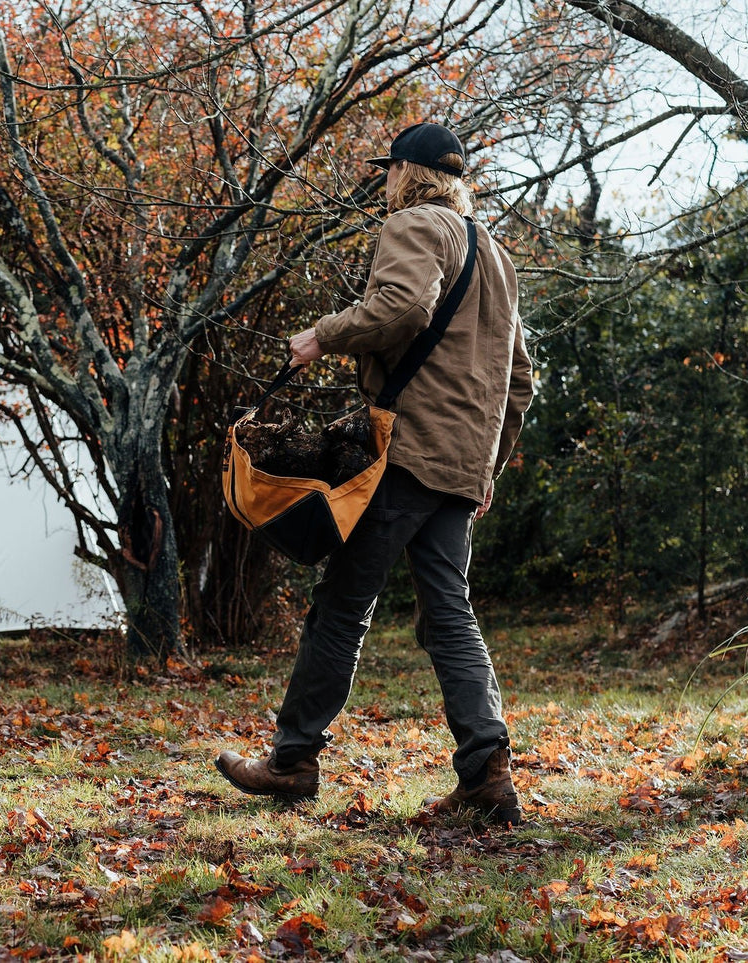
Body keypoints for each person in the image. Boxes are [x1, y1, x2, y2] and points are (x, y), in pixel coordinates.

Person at [215, 123, 534, 826]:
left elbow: (401, 309)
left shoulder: (415, 225)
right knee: (449, 616)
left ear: (407, 173)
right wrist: (487, 468)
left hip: (405, 456)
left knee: (340, 608)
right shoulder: (498, 255)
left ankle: (292, 760)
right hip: (457, 467)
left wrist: (321, 334)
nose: (383, 181)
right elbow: (519, 381)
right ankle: (486, 773)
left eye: (387, 169)